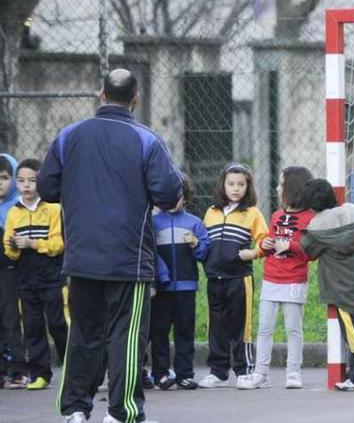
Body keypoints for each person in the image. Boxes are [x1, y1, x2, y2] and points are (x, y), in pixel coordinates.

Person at [39, 68, 182, 423]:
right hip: (128, 259)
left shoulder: (68, 136)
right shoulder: (147, 140)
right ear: (135, 99)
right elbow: (167, 194)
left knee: (83, 333)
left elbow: (46, 188)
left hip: (81, 256)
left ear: (101, 94)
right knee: (127, 336)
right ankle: (122, 412)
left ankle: (75, 409)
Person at [238, 166, 316, 390]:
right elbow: (268, 242)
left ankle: (293, 372)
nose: (277, 188)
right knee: (264, 328)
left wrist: (290, 245)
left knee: (293, 328)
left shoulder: (310, 218)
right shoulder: (276, 216)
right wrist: (265, 244)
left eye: (281, 184)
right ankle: (260, 373)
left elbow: (311, 251)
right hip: (272, 278)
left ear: (293, 187)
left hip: (294, 280)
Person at [300, 178, 354, 392]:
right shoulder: (353, 213)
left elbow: (308, 250)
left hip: (343, 289)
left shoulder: (318, 228)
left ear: (312, 206)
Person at [198, 163, 268, 389]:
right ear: (223, 185)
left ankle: (243, 369)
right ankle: (218, 371)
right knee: (216, 325)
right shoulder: (211, 212)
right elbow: (203, 243)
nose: (236, 188)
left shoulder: (252, 213)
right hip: (214, 278)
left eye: (241, 184)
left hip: (239, 278)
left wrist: (255, 253)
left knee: (241, 325)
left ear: (248, 187)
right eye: (231, 184)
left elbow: (265, 241)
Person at [3, 159, 66, 390]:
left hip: (50, 275)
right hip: (26, 277)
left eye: (32, 180)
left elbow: (58, 244)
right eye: (21, 181)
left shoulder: (53, 208)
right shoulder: (13, 213)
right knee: (32, 325)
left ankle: (70, 364)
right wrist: (14, 246)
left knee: (58, 322)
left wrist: (33, 243)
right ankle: (40, 373)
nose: (26, 186)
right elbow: (9, 252)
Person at [149, 174, 209, 391]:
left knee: (185, 331)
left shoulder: (195, 223)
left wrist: (195, 244)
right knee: (159, 332)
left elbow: (204, 254)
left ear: (186, 197)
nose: (175, 200)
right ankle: (161, 374)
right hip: (162, 289)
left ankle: (184, 374)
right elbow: (148, 254)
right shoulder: (153, 223)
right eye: (169, 196)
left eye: (179, 196)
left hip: (186, 287)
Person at [0, 153, 27, 389]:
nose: (0, 183)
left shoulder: (17, 209)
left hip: (10, 270)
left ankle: (18, 368)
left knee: (10, 318)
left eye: (4, 177)